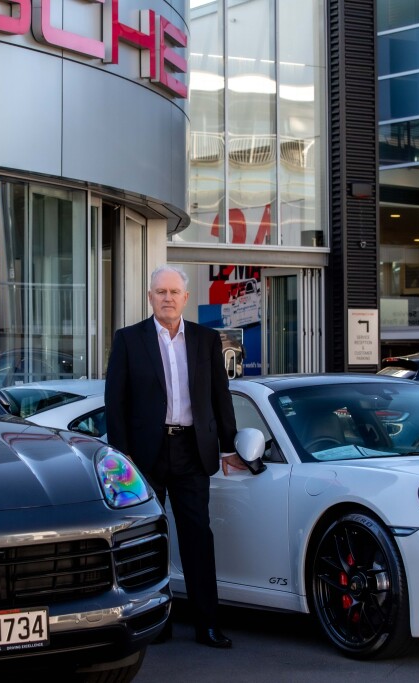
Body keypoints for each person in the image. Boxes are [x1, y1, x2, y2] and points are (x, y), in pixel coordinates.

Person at [105, 264, 247, 649]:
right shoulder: (129, 339)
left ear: (185, 297)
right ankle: (156, 622)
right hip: (144, 455)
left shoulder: (206, 340)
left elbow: (220, 398)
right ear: (150, 297)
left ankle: (208, 625)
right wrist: (122, 456)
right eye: (160, 292)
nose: (167, 298)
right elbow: (115, 403)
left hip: (191, 451)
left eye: (173, 292)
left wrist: (228, 447)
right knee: (146, 540)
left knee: (198, 536)